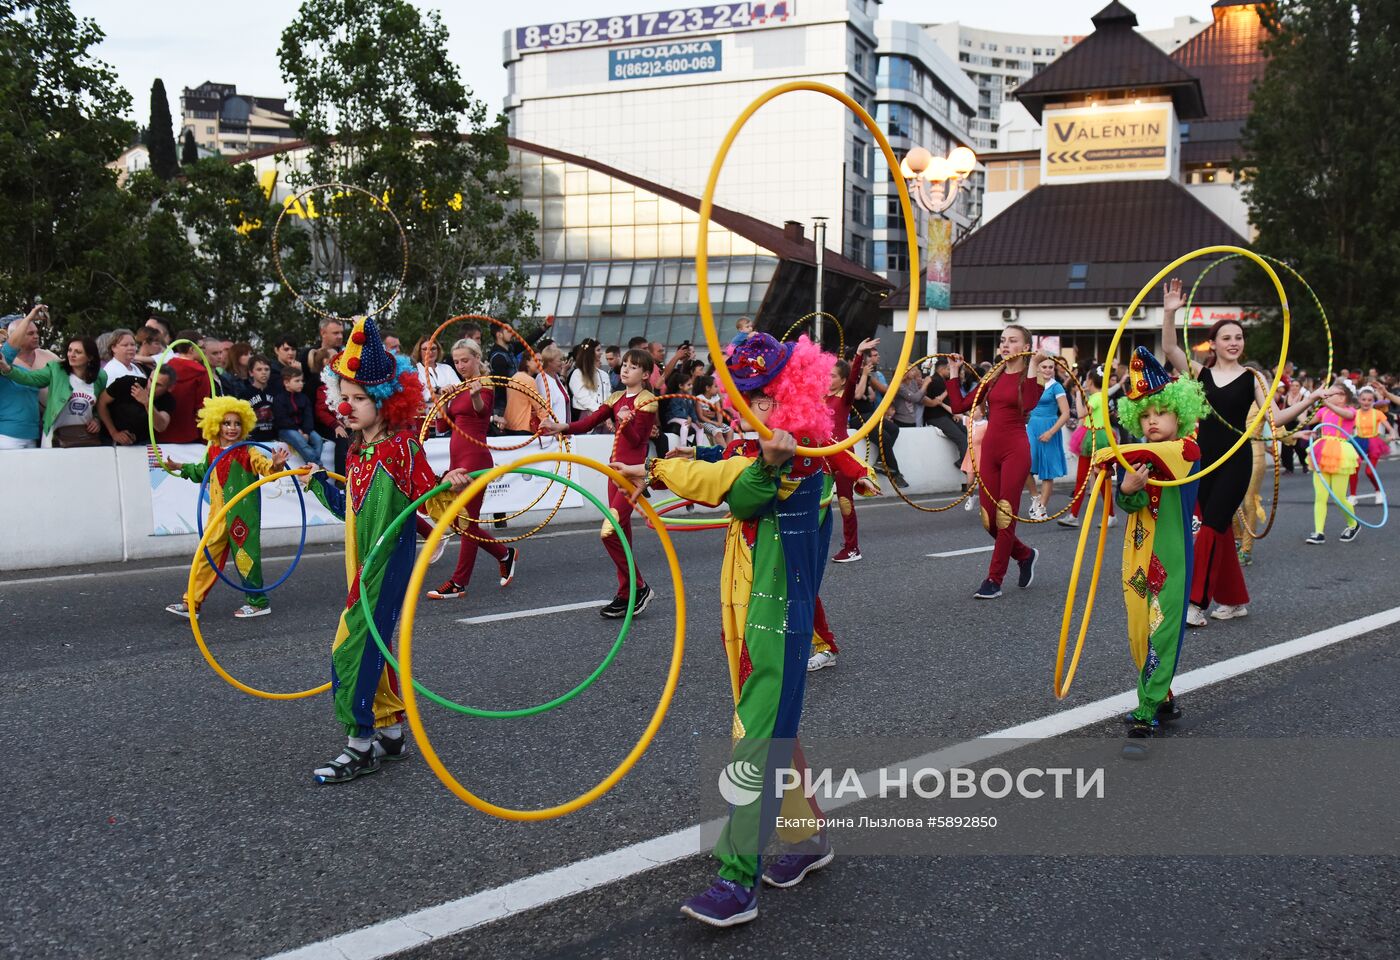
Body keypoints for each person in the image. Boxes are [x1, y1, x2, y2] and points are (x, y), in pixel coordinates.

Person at [619, 333, 875, 928]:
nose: (757, 408)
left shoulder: (799, 449)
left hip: (777, 612)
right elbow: (719, 466)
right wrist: (656, 469)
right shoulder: (765, 445)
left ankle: (737, 879)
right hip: (742, 603)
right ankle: (807, 838)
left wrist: (661, 468)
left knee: (755, 736)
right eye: (748, 397)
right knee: (766, 721)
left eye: (766, 397)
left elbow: (740, 491)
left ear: (789, 394)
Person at [303, 316, 474, 783]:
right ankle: (392, 731)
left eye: (359, 398)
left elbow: (431, 502)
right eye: (344, 397)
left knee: (348, 649)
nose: (348, 406)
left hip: (386, 565)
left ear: (385, 400)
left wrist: (452, 485)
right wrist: (317, 483)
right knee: (373, 644)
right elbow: (351, 509)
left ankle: (360, 743)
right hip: (361, 566)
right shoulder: (358, 452)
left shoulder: (400, 448)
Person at [1160, 279, 1319, 625]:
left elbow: (1274, 418)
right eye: (1227, 337)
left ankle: (1195, 603)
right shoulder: (1200, 374)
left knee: (1213, 526)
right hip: (1204, 461)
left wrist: (1309, 399)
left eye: (1239, 337)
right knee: (1218, 528)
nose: (1234, 343)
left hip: (1236, 460)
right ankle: (1234, 600)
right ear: (1213, 344)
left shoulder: (1253, 378)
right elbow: (1170, 348)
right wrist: (1170, 312)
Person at [1092, 347, 1208, 753]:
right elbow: (1132, 503)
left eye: (1160, 411)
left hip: (1171, 557)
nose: (1152, 420)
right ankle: (1165, 696)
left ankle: (1146, 711)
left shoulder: (1186, 451)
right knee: (1139, 630)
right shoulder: (1137, 456)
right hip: (1137, 554)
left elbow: (1151, 456)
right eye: (1144, 415)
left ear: (1180, 414)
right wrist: (1125, 490)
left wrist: (1110, 454)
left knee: (1164, 631)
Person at [540, 348, 659, 619]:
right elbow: (590, 422)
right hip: (612, 470)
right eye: (624, 364)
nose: (625, 369)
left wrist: (626, 423)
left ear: (645, 373)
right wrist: (562, 427)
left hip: (630, 475)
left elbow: (635, 441)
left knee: (609, 531)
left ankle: (639, 586)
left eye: (633, 366)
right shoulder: (616, 397)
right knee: (622, 533)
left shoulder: (647, 400)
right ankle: (627, 592)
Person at [946, 326, 1051, 599]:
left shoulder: (1034, 377)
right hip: (989, 452)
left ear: (1026, 345)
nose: (1005, 345)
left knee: (1005, 515)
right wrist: (955, 373)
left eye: (1012, 341)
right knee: (988, 520)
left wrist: (1034, 365)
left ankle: (994, 579)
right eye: (1003, 340)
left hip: (1015, 451)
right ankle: (1025, 554)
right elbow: (959, 406)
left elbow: (1027, 403)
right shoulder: (993, 375)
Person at [163, 396, 289, 620]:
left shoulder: (247, 450)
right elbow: (203, 471)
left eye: (237, 423)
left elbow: (265, 467)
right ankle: (191, 603)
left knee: (246, 558)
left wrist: (276, 464)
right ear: (215, 424)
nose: (232, 428)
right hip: (218, 516)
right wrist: (179, 466)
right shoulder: (212, 450)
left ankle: (259, 603)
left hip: (242, 517)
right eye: (227, 423)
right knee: (205, 556)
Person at [426, 338, 520, 601]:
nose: (460, 365)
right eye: (456, 361)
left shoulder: (485, 384)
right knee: (460, 522)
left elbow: (482, 413)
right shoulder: (458, 387)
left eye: (465, 360)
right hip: (456, 459)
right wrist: (444, 399)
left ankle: (459, 582)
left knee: (466, 521)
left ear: (477, 358)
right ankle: (504, 553)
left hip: (475, 459)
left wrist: (475, 394)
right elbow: (443, 427)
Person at [0, 325, 107, 448]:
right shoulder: (56, 369)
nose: (72, 355)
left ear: (90, 357)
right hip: (56, 438)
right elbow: (30, 378)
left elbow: (102, 405)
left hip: (84, 437)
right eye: (70, 350)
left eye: (78, 352)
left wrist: (97, 419)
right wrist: (8, 370)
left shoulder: (100, 377)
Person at [827, 337, 880, 562]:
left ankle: (852, 547)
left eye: (832, 376)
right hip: (819, 456)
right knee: (814, 502)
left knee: (845, 502)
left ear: (842, 380)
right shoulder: (819, 396)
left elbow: (852, 384)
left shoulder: (844, 397)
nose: (827, 379)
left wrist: (858, 355)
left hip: (841, 453)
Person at [1304, 384, 1364, 545]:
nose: (1328, 394)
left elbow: (1346, 414)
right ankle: (1318, 532)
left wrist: (1326, 403)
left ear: (1343, 396)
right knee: (1320, 496)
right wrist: (1306, 402)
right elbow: (1304, 421)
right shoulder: (1323, 411)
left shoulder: (1351, 411)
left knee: (1338, 497)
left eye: (1332, 392)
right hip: (1321, 453)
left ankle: (1353, 524)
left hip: (1340, 453)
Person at [1060, 367, 1115, 528]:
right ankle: (1075, 515)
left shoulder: (1096, 398)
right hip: (1093, 438)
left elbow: (1081, 413)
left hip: (1094, 439)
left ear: (1090, 381)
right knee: (1091, 479)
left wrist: (1078, 394)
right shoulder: (1100, 396)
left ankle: (1107, 515)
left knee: (1090, 479)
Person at [98, 329, 169, 445]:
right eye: (125, 345)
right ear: (113, 348)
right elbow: (103, 404)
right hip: (121, 437)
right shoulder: (109, 372)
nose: (131, 348)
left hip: (143, 435)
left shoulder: (139, 368)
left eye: (132, 344)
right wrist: (114, 432)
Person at [1024, 355, 1070, 520]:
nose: (1048, 370)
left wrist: (1051, 432)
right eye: (1044, 367)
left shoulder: (1056, 387)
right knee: (1024, 465)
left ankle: (1042, 507)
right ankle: (1035, 497)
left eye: (1051, 367)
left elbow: (1066, 413)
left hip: (1050, 427)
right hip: (1032, 426)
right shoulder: (1031, 385)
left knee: (1047, 471)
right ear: (1037, 368)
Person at [0, 306, 54, 448]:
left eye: (37, 332)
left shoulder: (45, 357)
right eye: (30, 333)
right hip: (8, 436)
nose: (36, 336)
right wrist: (29, 317)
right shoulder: (3, 361)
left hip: (33, 435)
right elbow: (10, 347)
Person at [854, 346, 906, 487]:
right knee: (885, 437)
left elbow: (870, 396)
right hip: (857, 417)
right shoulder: (852, 376)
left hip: (870, 413)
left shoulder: (864, 376)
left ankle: (879, 461)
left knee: (894, 429)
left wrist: (865, 384)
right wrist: (864, 377)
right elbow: (857, 395)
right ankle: (895, 473)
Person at [154, 332, 213, 445]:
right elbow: (202, 408)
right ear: (191, 349)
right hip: (189, 435)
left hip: (162, 434)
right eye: (202, 347)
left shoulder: (164, 368)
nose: (205, 351)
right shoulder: (201, 373)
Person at [1347, 386, 1392, 502]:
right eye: (1363, 399)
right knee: (1353, 469)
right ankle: (1352, 496)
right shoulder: (1355, 413)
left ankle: (1379, 491)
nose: (1366, 402)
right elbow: (1347, 428)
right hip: (1358, 441)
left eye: (1369, 400)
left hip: (1374, 442)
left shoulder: (1377, 413)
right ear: (1359, 400)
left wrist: (1391, 434)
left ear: (1373, 401)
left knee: (1369, 471)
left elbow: (1389, 428)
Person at [922, 357, 968, 469]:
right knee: (961, 438)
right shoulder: (935, 381)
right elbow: (939, 401)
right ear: (941, 369)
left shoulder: (941, 381)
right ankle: (963, 463)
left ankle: (963, 462)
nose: (949, 372)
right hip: (936, 416)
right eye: (948, 369)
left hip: (945, 415)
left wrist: (953, 414)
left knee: (965, 432)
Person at [273, 365, 325, 464]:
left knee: (318, 440)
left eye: (302, 381)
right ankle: (318, 465)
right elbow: (282, 419)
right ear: (286, 383)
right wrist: (298, 431)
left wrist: (306, 431)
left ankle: (311, 465)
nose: (301, 384)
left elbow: (308, 416)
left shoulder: (304, 398)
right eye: (297, 381)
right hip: (286, 430)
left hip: (304, 429)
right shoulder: (279, 398)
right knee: (301, 441)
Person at [413, 336, 461, 438]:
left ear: (438, 350)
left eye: (433, 348)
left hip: (450, 420)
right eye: (425, 349)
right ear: (419, 351)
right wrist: (440, 390)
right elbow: (420, 394)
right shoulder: (414, 369)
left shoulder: (446, 368)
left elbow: (459, 389)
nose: (429, 352)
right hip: (426, 423)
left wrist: (437, 392)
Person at [568, 339, 610, 423]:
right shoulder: (578, 373)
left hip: (605, 418)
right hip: (586, 416)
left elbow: (608, 395)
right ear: (590, 352)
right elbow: (583, 398)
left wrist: (606, 413)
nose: (601, 353)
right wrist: (600, 412)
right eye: (598, 350)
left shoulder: (604, 374)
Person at [242, 355, 279, 443]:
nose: (264, 372)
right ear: (251, 372)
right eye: (259, 369)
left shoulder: (276, 392)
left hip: (274, 440)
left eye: (267, 369)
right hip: (253, 440)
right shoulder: (244, 394)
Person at [961, 401, 988, 511]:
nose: (972, 411)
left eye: (975, 409)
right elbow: (955, 413)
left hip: (982, 455)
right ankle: (971, 497)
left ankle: (986, 506)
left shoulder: (987, 424)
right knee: (969, 482)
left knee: (984, 484)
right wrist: (941, 403)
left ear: (982, 413)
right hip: (971, 455)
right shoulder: (969, 421)